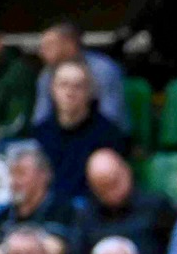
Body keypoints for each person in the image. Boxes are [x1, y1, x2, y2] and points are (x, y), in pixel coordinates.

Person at [30, 60, 133, 193]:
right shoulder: (40, 133)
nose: (69, 92)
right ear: (52, 89)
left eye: (78, 86)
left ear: (90, 92)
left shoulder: (109, 134)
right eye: (63, 85)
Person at [75, 149, 175, 254]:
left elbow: (175, 252)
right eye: (103, 188)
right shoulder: (87, 216)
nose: (112, 193)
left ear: (126, 171)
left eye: (115, 182)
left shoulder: (156, 206)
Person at [0, 145, 79, 254]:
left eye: (21, 173)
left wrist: (6, 252)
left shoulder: (62, 210)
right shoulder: (2, 216)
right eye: (11, 174)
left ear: (43, 175)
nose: (14, 182)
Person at [32, 23, 127, 129]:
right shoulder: (46, 75)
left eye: (48, 46)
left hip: (105, 134)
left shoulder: (103, 70)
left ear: (69, 45)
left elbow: (111, 116)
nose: (41, 52)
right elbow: (41, 116)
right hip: (62, 134)